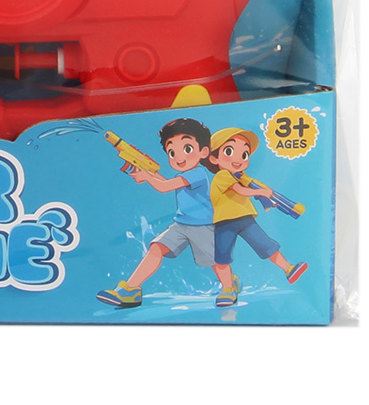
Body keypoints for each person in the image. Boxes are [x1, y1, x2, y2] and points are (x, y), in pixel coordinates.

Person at [97, 118, 219, 309]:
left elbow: (165, 187)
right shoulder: (182, 175)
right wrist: (147, 173)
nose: (178, 157)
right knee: (156, 248)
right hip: (181, 224)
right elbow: (166, 183)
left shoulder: (198, 173)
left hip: (202, 225)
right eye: (172, 152)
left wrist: (147, 176)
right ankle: (130, 289)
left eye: (187, 148)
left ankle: (230, 283)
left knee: (215, 262)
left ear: (204, 152)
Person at [206, 128, 307, 307]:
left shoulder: (242, 178)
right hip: (225, 222)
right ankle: (227, 288)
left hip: (244, 218)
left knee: (265, 244)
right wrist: (260, 192)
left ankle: (288, 269)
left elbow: (247, 187)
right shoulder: (223, 175)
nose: (238, 159)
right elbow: (240, 190)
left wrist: (268, 198)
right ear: (214, 158)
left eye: (244, 154)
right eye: (229, 151)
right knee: (222, 256)